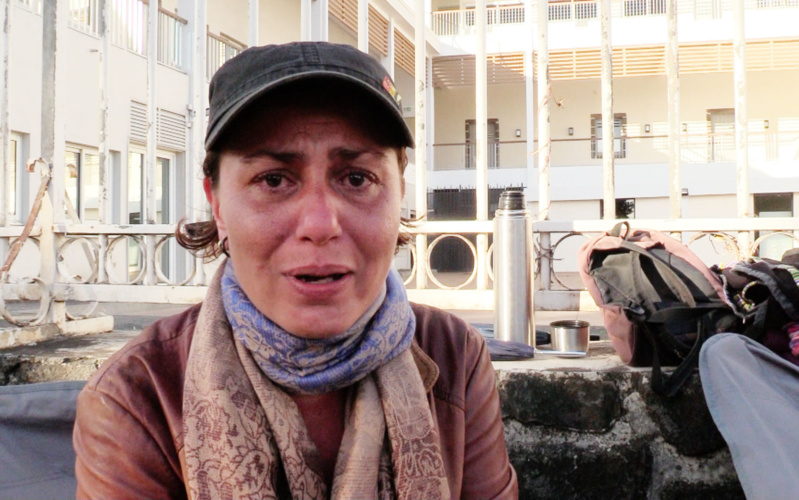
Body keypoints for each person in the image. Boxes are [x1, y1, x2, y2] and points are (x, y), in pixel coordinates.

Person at [73, 41, 518, 500]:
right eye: (273, 180)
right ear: (218, 204)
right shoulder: (136, 397)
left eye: (357, 178)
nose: (320, 225)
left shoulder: (455, 355)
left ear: (399, 193)